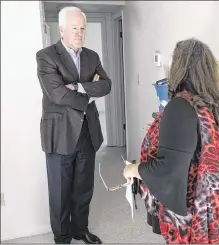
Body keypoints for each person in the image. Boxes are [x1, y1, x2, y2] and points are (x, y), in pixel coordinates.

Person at [123, 38, 219, 244]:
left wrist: (133, 169)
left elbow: (167, 169)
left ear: (180, 68)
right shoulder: (208, 103)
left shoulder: (180, 105)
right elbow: (195, 145)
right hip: (218, 208)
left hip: (195, 215)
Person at [36, 6, 111, 244]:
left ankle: (80, 229)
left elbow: (107, 85)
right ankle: (62, 237)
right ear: (62, 30)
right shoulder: (46, 56)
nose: (79, 33)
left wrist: (78, 87)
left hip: (87, 132)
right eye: (74, 29)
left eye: (82, 28)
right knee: (60, 192)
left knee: (83, 188)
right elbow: (57, 94)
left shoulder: (92, 56)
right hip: (60, 134)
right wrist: (90, 90)